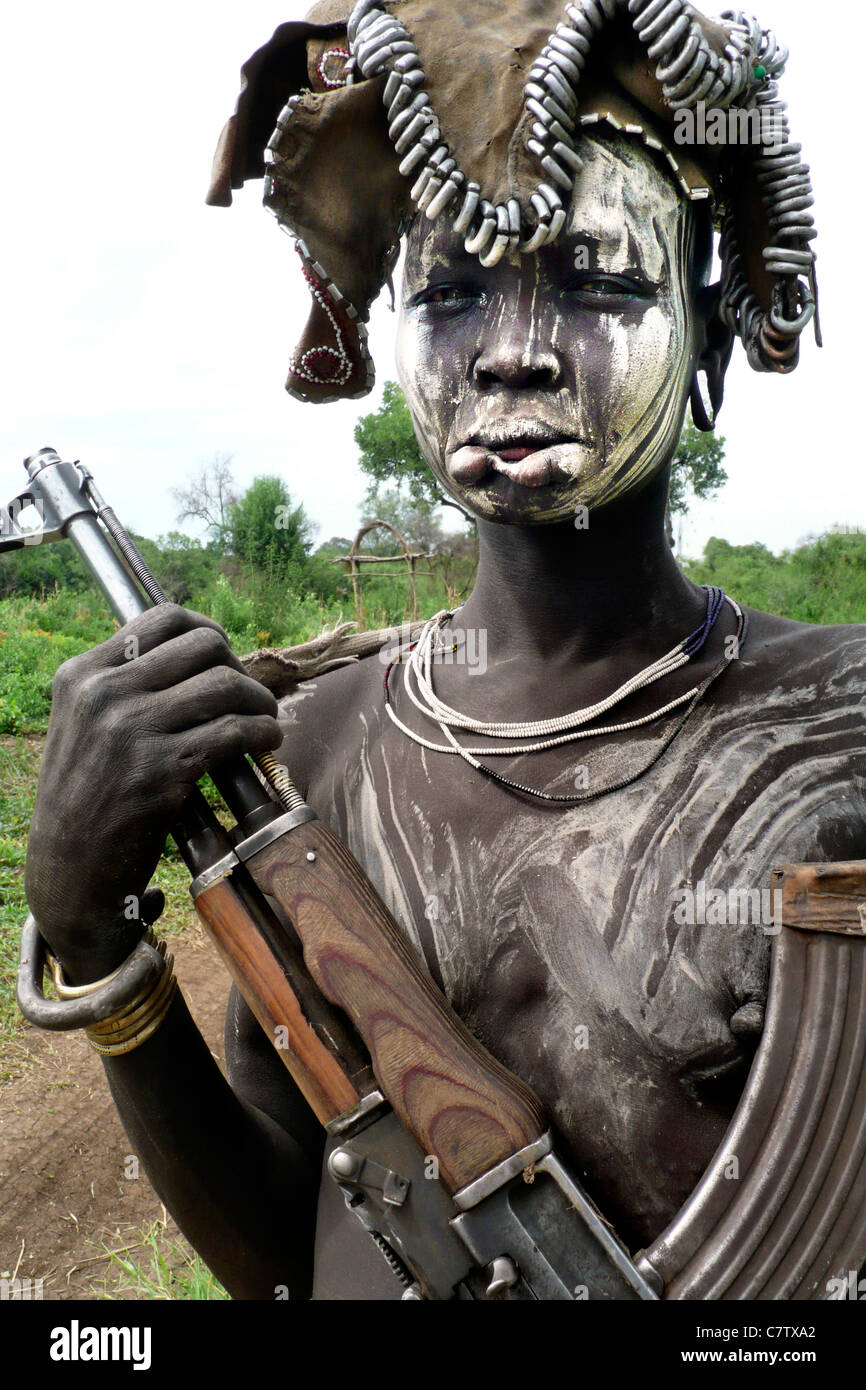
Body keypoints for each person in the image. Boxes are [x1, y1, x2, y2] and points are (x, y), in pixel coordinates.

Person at [23, 0, 864, 1300]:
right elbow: (292, 1241)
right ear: (387, 341)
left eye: (594, 281)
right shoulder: (320, 748)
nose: (513, 351)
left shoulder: (837, 717)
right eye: (454, 291)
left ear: (707, 339)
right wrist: (92, 936)